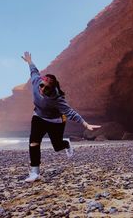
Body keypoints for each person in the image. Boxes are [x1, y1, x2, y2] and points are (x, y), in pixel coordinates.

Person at [21, 51, 101, 182]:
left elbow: (70, 112)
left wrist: (85, 124)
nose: (42, 89)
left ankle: (66, 143)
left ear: (52, 90)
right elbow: (34, 71)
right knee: (34, 143)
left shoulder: (57, 98)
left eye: (46, 88)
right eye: (42, 86)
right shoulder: (36, 82)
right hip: (39, 117)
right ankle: (35, 173)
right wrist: (29, 61)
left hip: (56, 121)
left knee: (57, 146)